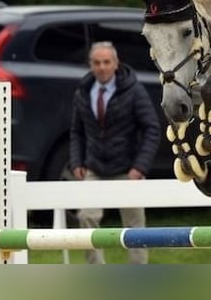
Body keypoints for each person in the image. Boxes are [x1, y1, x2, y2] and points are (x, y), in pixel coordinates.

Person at [69, 41, 161, 264]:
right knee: (86, 218)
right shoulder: (83, 91)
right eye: (97, 63)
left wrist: (139, 167)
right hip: (94, 168)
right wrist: (76, 162)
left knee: (135, 228)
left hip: (127, 169)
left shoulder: (134, 89)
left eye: (106, 62)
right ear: (90, 65)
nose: (102, 67)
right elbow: (76, 131)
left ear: (116, 63)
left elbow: (152, 128)